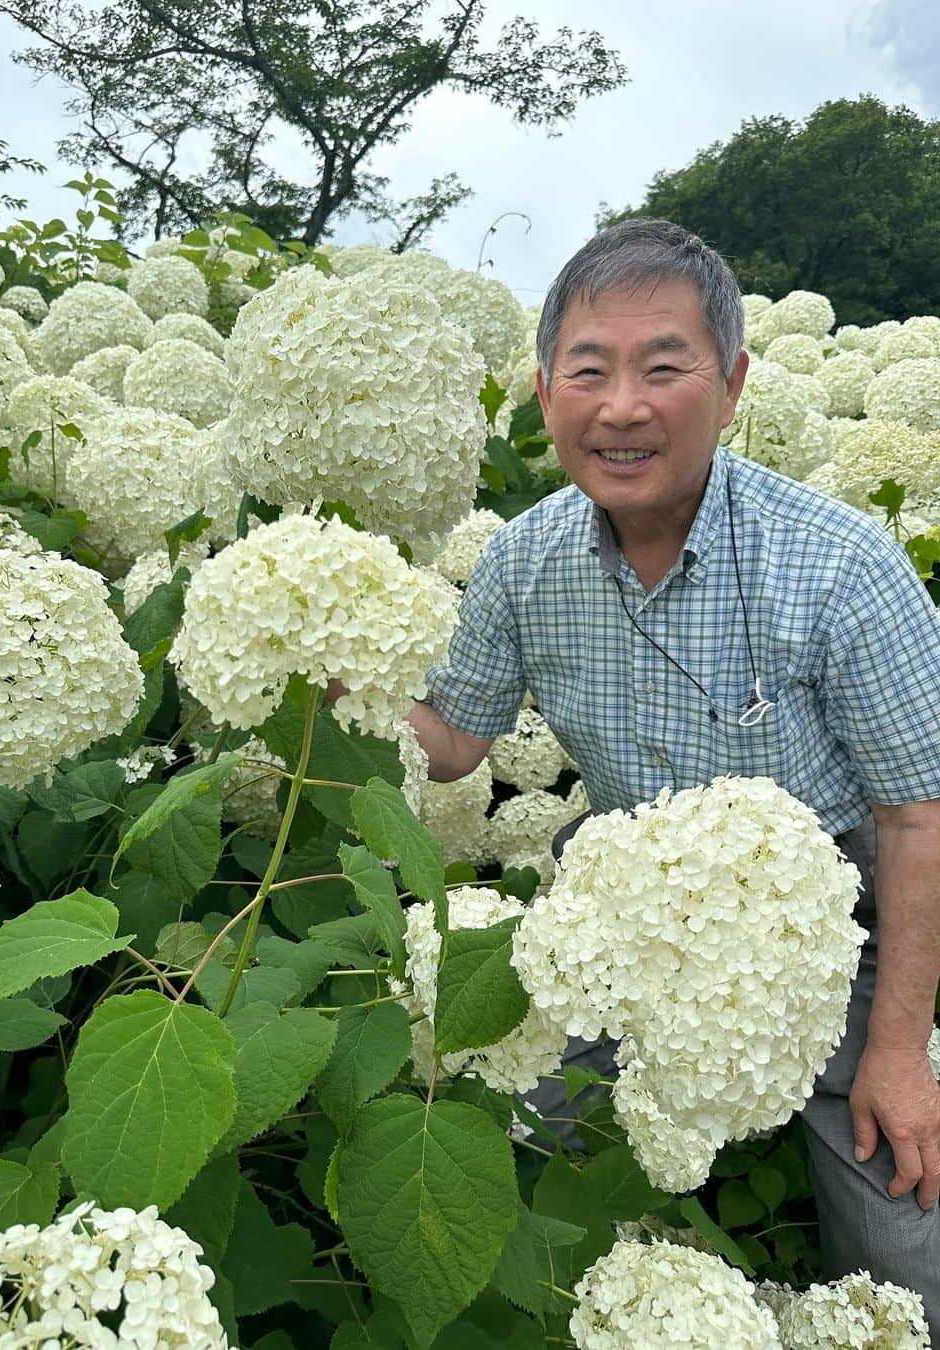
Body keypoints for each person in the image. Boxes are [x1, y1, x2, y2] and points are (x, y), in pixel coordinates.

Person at [407, 218, 940, 1330]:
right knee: (512, 1125)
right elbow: (453, 742)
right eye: (589, 371)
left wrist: (896, 1050)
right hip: (626, 912)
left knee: (909, 1254)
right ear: (545, 389)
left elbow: (916, 819)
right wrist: (331, 673)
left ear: (733, 386)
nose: (623, 407)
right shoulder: (522, 557)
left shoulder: (841, 566)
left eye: (665, 368)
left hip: (835, 928)